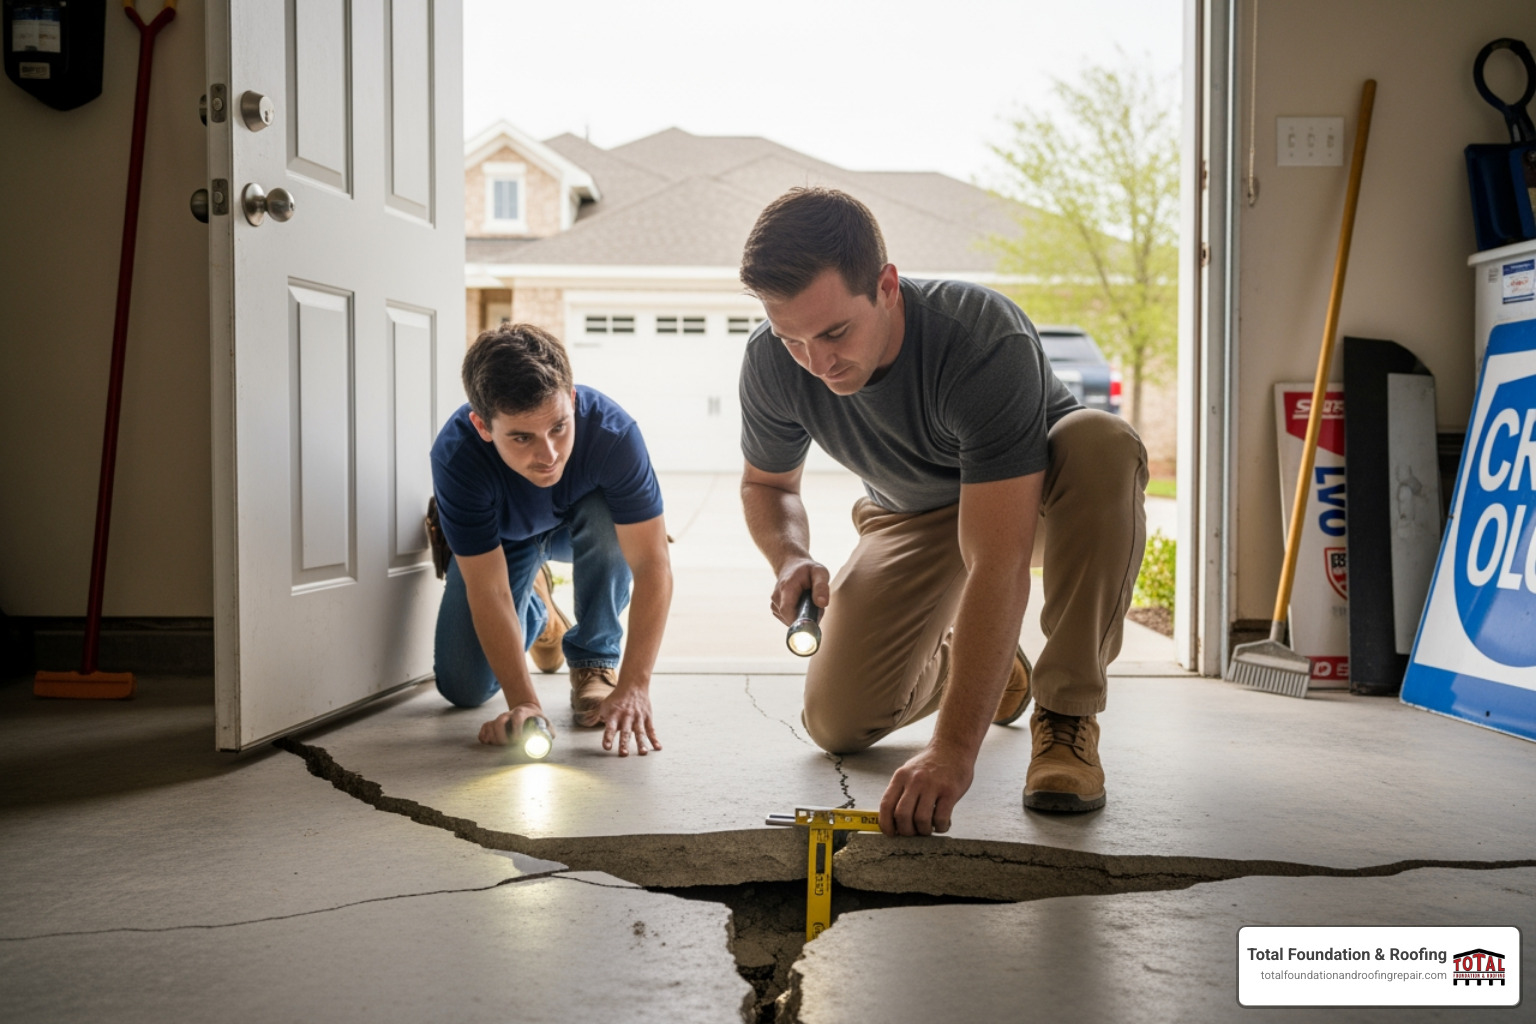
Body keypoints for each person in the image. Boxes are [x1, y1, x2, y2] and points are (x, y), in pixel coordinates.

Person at [737, 188, 1147, 836]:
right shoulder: (769, 361)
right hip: (909, 515)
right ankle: (989, 669)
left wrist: (953, 753)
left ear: (887, 285)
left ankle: (1065, 718)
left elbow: (999, 559)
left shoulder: (980, 336)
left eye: (835, 332)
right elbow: (769, 486)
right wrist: (789, 555)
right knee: (837, 723)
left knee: (1104, 444)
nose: (817, 363)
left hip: (1036, 497)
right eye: (793, 339)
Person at [429, 323, 672, 756]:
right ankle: (539, 613)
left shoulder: (614, 434)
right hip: (504, 541)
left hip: (580, 529)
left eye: (559, 427)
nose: (549, 454)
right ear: (483, 426)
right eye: (522, 437)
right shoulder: (457, 457)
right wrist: (524, 704)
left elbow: (652, 564)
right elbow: (489, 589)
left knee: (609, 516)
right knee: (463, 687)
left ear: (572, 401)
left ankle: (595, 661)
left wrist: (636, 684)